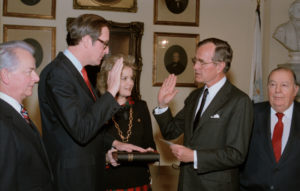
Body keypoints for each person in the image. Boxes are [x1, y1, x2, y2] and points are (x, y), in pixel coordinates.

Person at [38, 14, 146, 191]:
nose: (107, 50)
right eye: (104, 44)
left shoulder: (78, 73)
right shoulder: (58, 74)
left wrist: (116, 144)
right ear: (87, 40)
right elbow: (81, 130)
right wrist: (111, 91)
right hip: (73, 179)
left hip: (88, 174)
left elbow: (90, 122)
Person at [153, 37, 253, 191]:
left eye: (201, 62)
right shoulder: (194, 96)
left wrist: (195, 157)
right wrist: (163, 105)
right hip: (186, 184)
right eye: (195, 61)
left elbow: (236, 154)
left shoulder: (239, 101)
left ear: (219, 66)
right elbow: (170, 132)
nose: (195, 67)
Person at [97, 54, 156, 191]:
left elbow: (150, 144)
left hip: (139, 182)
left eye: (131, 78)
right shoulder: (98, 109)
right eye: (124, 78)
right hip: (109, 183)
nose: (130, 83)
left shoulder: (141, 107)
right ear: (108, 80)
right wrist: (106, 157)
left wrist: (149, 153)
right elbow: (91, 152)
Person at [0, 40, 54, 190]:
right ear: (6, 75)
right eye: (29, 71)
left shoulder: (17, 112)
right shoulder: (2, 122)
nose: (36, 78)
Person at [240, 67, 300, 191]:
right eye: (272, 84)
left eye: (284, 85)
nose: (277, 90)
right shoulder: (251, 113)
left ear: (295, 90)